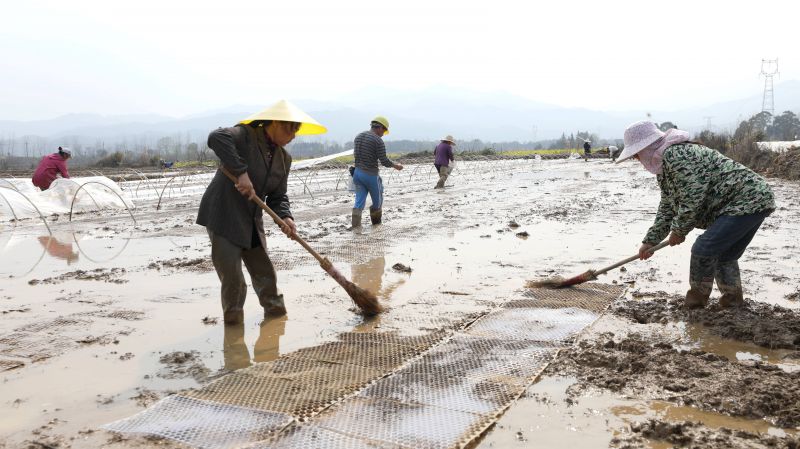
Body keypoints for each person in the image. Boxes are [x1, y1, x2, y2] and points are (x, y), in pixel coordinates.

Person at [617, 121, 775, 309]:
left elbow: (693, 196)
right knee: (725, 255)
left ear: (647, 147)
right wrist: (651, 240)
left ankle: (695, 307)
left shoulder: (676, 155)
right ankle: (733, 307)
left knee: (703, 248)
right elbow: (668, 205)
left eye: (636, 154)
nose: (637, 159)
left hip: (746, 200)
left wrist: (679, 230)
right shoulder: (665, 165)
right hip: (753, 199)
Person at [196, 100, 327, 325]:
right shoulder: (245, 135)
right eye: (290, 128)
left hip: (251, 219)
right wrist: (241, 172)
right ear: (274, 123)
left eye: (296, 130)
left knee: (265, 273)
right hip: (224, 215)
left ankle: (276, 318)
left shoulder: (284, 159)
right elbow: (216, 137)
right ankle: (234, 332)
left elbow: (278, 197)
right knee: (234, 280)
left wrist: (286, 217)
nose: (293, 135)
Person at [351, 116, 403, 228]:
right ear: (379, 127)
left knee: (359, 202)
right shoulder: (377, 140)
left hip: (357, 174)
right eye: (384, 130)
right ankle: (377, 227)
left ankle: (356, 228)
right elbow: (384, 161)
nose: (383, 133)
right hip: (370, 175)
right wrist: (396, 166)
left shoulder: (358, 136)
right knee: (377, 202)